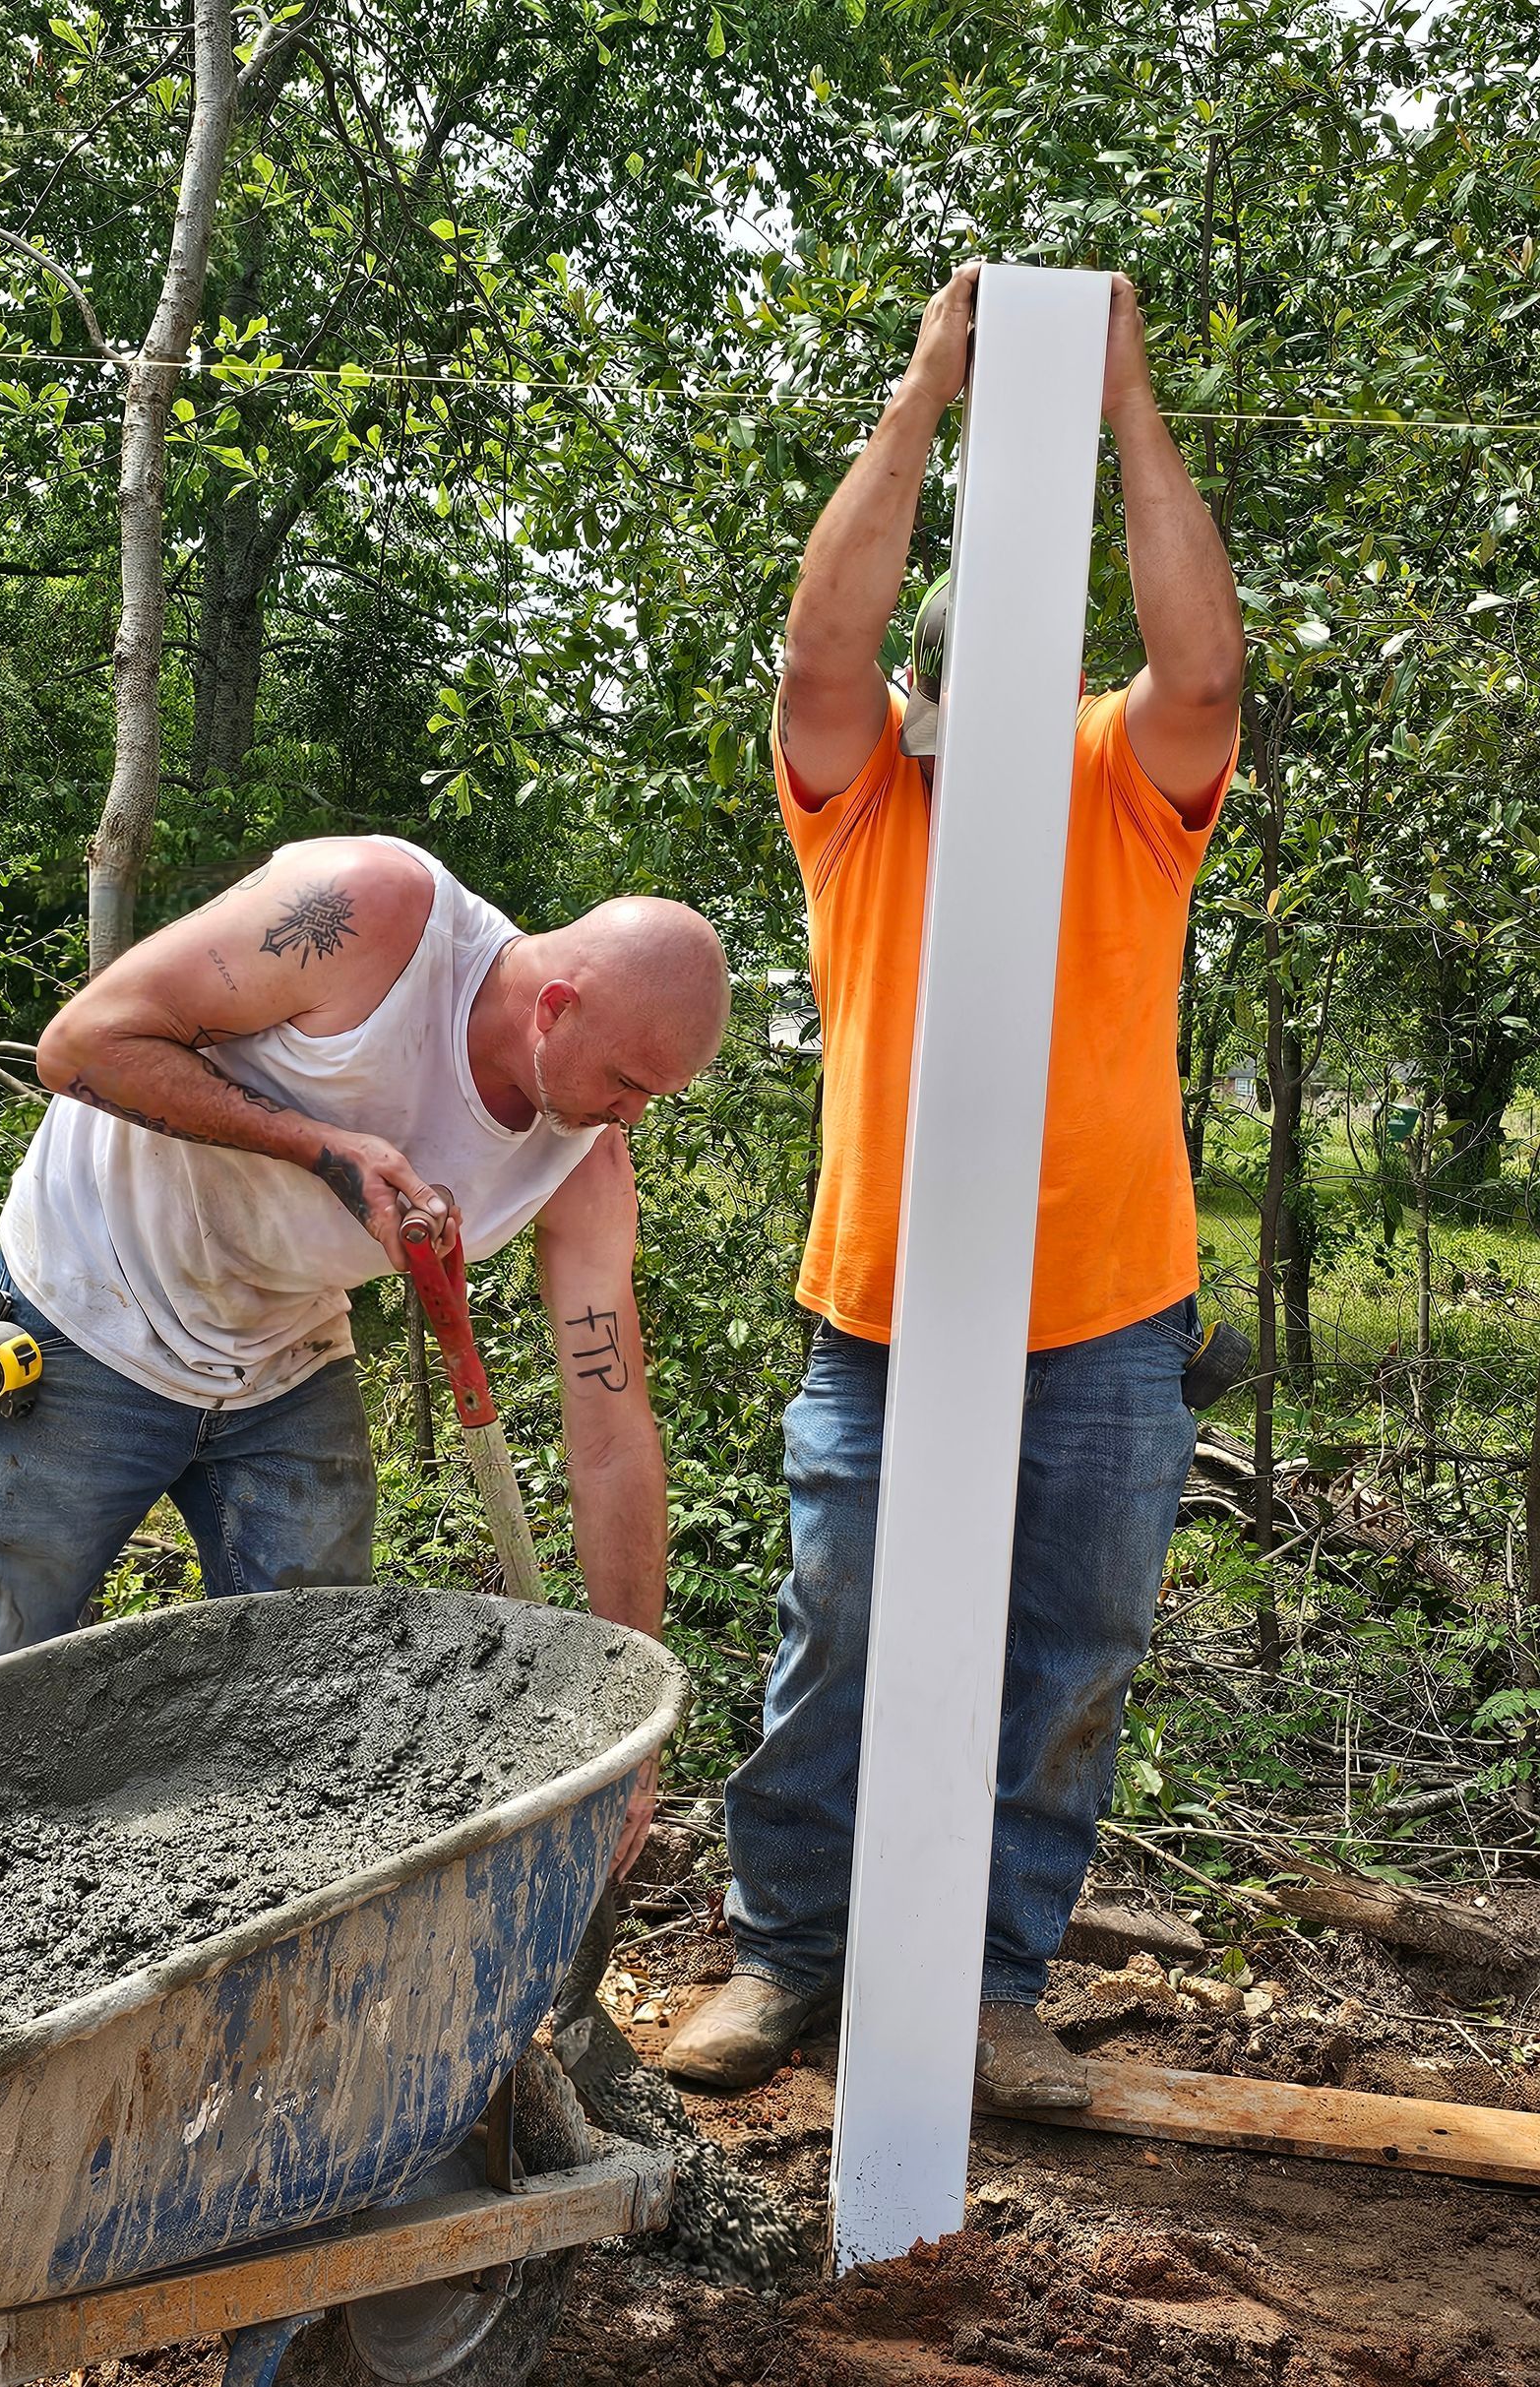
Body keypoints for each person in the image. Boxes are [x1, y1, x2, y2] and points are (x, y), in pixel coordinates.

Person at [663, 264, 1245, 2100]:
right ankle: (789, 1964)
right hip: (886, 1313)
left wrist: (1125, 406)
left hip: (1106, 1322)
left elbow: (1208, 667)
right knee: (834, 1643)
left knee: (1069, 1659)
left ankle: (996, 1989)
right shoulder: (861, 803)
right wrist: (924, 394)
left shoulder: (1120, 776)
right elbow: (815, 657)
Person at [0, 833, 730, 1873]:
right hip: (91, 1304)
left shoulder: (586, 1160)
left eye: (657, 1095)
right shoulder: (371, 916)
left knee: (318, 1710)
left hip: (284, 1349)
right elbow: (78, 1047)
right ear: (553, 1007)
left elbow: (610, 1433)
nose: (630, 1115)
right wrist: (321, 1148)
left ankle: (242, 1971)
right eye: (624, 1080)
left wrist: (628, 1719)